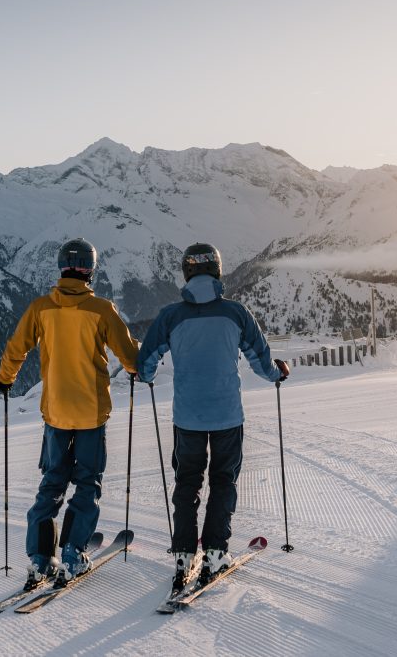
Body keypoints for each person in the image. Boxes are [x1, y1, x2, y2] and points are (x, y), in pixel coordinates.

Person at [136, 242, 289, 591]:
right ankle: (216, 552)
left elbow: (145, 365)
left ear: (187, 273)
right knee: (224, 482)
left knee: (187, 484)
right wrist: (278, 373)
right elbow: (262, 362)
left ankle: (184, 555)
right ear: (218, 271)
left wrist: (142, 376)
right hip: (227, 417)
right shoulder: (237, 313)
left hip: (187, 417)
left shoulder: (170, 316)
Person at [0, 237, 139, 587]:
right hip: (91, 414)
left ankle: (40, 557)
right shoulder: (102, 310)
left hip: (56, 413)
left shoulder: (41, 308)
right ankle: (74, 552)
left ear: (61, 268)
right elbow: (130, 358)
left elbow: (17, 347)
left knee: (53, 482)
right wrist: (138, 368)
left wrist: (5, 379)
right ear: (91, 270)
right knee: (88, 481)